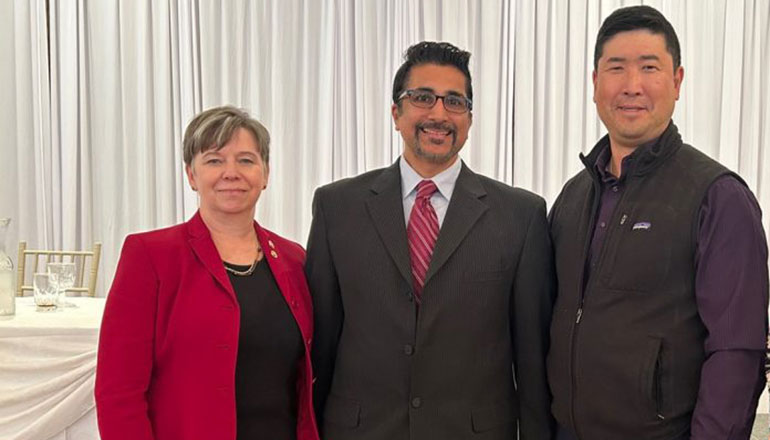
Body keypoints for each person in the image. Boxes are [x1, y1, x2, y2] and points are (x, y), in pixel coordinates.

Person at [306, 41, 555, 440]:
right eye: (422, 98)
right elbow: (320, 344)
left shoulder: (520, 216)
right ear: (396, 113)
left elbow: (531, 358)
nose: (439, 114)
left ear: (469, 119)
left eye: (454, 101)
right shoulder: (338, 207)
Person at [547, 6, 768, 439]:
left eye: (649, 67)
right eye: (616, 68)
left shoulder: (718, 198)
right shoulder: (573, 197)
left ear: (677, 81)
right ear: (595, 83)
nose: (632, 85)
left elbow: (737, 354)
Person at [95, 106, 319, 440]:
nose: (231, 173)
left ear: (265, 174)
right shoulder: (150, 256)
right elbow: (118, 393)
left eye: (246, 160)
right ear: (191, 175)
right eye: (214, 160)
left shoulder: (294, 259)